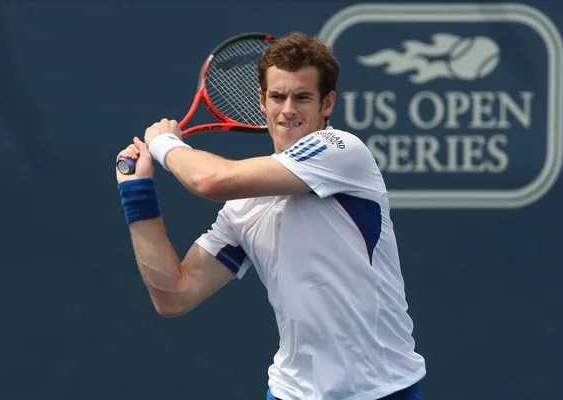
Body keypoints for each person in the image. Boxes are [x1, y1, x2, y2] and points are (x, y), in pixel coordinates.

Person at [115, 32, 425, 400]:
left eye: (302, 97)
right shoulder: (243, 209)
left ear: (327, 103)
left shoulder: (342, 151)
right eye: (278, 96)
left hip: (382, 389)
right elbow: (174, 296)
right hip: (291, 392)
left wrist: (166, 144)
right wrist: (137, 196)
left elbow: (210, 180)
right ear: (261, 101)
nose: (288, 109)